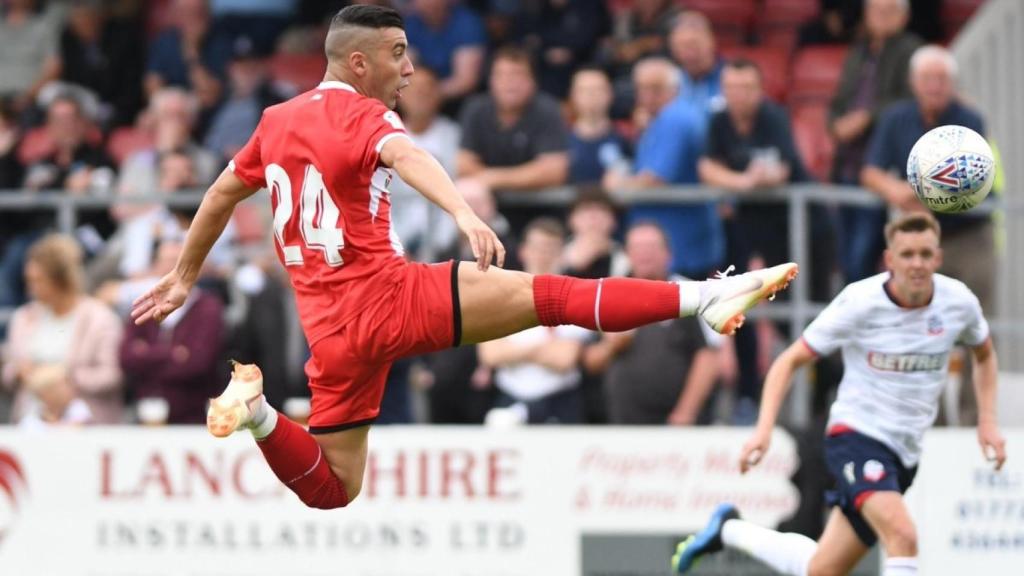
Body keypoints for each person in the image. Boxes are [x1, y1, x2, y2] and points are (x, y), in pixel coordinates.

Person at [130, 5, 797, 511]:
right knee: (554, 298)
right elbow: (410, 155)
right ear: (358, 64)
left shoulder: (275, 121)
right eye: (397, 54)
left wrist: (185, 275)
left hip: (329, 333)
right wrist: (463, 212)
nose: (411, 70)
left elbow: (220, 193)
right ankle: (706, 296)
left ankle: (259, 413)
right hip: (389, 299)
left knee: (333, 490)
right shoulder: (365, 117)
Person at [671, 213, 1007, 576]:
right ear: (889, 259)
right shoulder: (860, 301)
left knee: (820, 569)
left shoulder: (958, 303)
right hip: (855, 436)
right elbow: (789, 361)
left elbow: (984, 354)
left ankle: (728, 528)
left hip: (904, 452)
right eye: (907, 254)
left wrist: (987, 421)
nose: (917, 263)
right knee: (903, 535)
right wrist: (763, 429)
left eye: (926, 254)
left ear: (938, 259)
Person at [861, 45, 993, 312]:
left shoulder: (970, 119)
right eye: (926, 79)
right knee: (914, 318)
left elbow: (967, 178)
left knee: (977, 318)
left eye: (941, 79)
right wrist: (895, 190)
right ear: (912, 82)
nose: (934, 86)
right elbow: (869, 172)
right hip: (918, 239)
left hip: (967, 235)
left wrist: (917, 192)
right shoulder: (895, 118)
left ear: (953, 84)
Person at [583, 222, 719, 425]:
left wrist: (686, 412)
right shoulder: (610, 295)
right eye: (637, 247)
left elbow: (709, 356)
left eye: (651, 247)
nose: (644, 254)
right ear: (627, 254)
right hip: (622, 426)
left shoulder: (689, 294)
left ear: (669, 254)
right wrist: (611, 346)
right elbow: (589, 362)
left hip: (678, 425)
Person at [603, 56, 723, 279]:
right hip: (670, 243)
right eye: (642, 88)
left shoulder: (675, 118)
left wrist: (616, 186)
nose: (647, 95)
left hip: (679, 244)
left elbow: (655, 178)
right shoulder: (658, 119)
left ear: (674, 88)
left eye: (655, 89)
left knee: (681, 308)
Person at [830, 0, 920, 283]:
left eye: (888, 10)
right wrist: (836, 124)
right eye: (875, 10)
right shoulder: (859, 51)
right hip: (847, 167)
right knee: (845, 256)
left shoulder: (911, 51)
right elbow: (838, 102)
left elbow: (908, 100)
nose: (880, 16)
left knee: (864, 256)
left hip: (883, 169)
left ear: (904, 16)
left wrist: (866, 118)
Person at [1, 234, 123, 424]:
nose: (30, 289)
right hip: (30, 424)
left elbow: (112, 375)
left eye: (37, 281)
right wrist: (18, 373)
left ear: (60, 280)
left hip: (85, 425)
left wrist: (68, 379)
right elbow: (8, 371)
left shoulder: (99, 318)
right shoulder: (23, 317)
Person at [478, 218, 590, 425]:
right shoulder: (500, 297)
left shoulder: (576, 295)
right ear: (523, 251)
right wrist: (542, 350)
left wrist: (514, 351)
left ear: (562, 253)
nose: (543, 255)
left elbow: (564, 359)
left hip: (559, 403)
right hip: (508, 402)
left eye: (550, 248)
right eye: (537, 247)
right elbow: (491, 355)